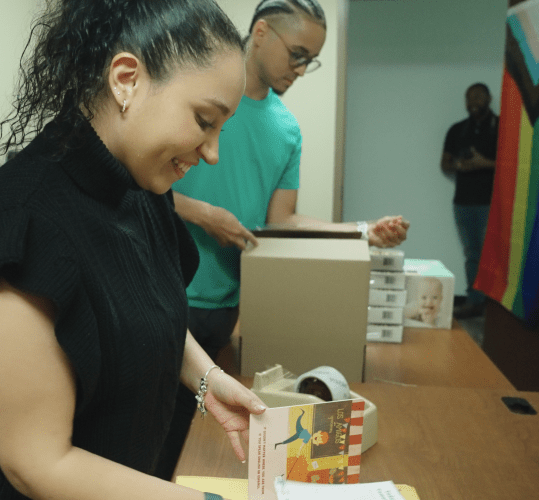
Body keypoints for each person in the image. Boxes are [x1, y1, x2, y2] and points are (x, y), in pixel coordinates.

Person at [0, 1, 267, 499]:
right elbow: (38, 464)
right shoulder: (19, 224)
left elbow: (137, 312)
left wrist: (208, 378)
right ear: (126, 79)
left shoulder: (142, 190)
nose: (212, 152)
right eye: (205, 120)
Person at [155, 0, 409, 479]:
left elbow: (284, 219)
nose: (301, 69)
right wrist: (205, 214)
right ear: (262, 32)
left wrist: (361, 231)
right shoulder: (196, 100)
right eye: (297, 53)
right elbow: (140, 185)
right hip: (164, 287)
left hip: (226, 303)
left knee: (207, 443)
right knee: (154, 437)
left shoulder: (285, 127)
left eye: (310, 59)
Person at [441, 83, 498, 319]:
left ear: (489, 98)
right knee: (472, 254)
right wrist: (460, 165)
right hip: (463, 203)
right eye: (468, 97)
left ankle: (495, 308)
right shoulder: (457, 130)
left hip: (492, 203)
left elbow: (515, 164)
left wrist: (485, 163)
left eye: (477, 96)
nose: (472, 101)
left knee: (493, 254)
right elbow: (445, 164)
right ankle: (474, 302)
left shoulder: (503, 127)